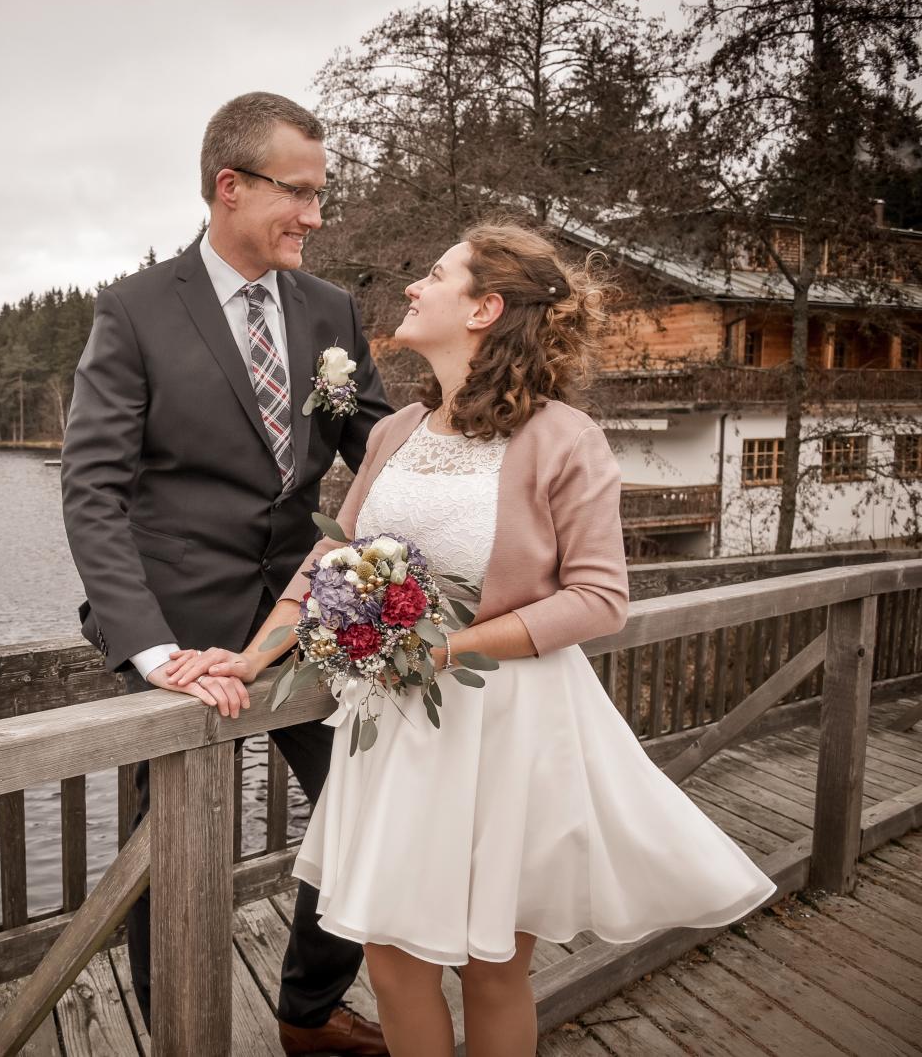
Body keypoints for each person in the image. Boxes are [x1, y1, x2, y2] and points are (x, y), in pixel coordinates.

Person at [165, 220, 778, 1056]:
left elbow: (600, 599)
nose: (414, 286)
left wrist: (445, 651)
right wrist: (253, 655)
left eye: (436, 274)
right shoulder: (393, 432)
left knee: (491, 965)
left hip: (503, 725)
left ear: (486, 308)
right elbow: (332, 557)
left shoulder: (565, 438)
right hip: (397, 737)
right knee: (390, 959)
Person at [60, 91, 393, 1053]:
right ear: (230, 187)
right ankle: (179, 1032)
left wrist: (492, 450)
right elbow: (94, 492)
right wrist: (154, 649)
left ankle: (311, 1010)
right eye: (300, 193)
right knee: (169, 854)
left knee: (366, 804)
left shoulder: (330, 308)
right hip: (180, 631)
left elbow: (379, 448)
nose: (317, 217)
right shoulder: (135, 310)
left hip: (307, 623)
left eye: (323, 194)